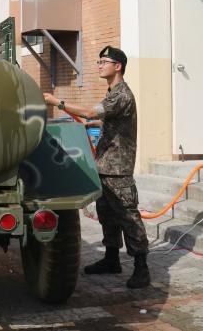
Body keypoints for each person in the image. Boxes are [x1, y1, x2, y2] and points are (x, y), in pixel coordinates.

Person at [43, 45, 150, 289]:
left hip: (118, 168)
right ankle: (112, 259)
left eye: (104, 61)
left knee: (128, 217)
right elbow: (101, 116)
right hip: (103, 165)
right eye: (99, 61)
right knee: (107, 215)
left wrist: (57, 102)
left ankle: (141, 268)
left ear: (118, 66)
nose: (100, 65)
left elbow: (92, 110)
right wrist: (90, 122)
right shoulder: (112, 92)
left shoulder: (122, 94)